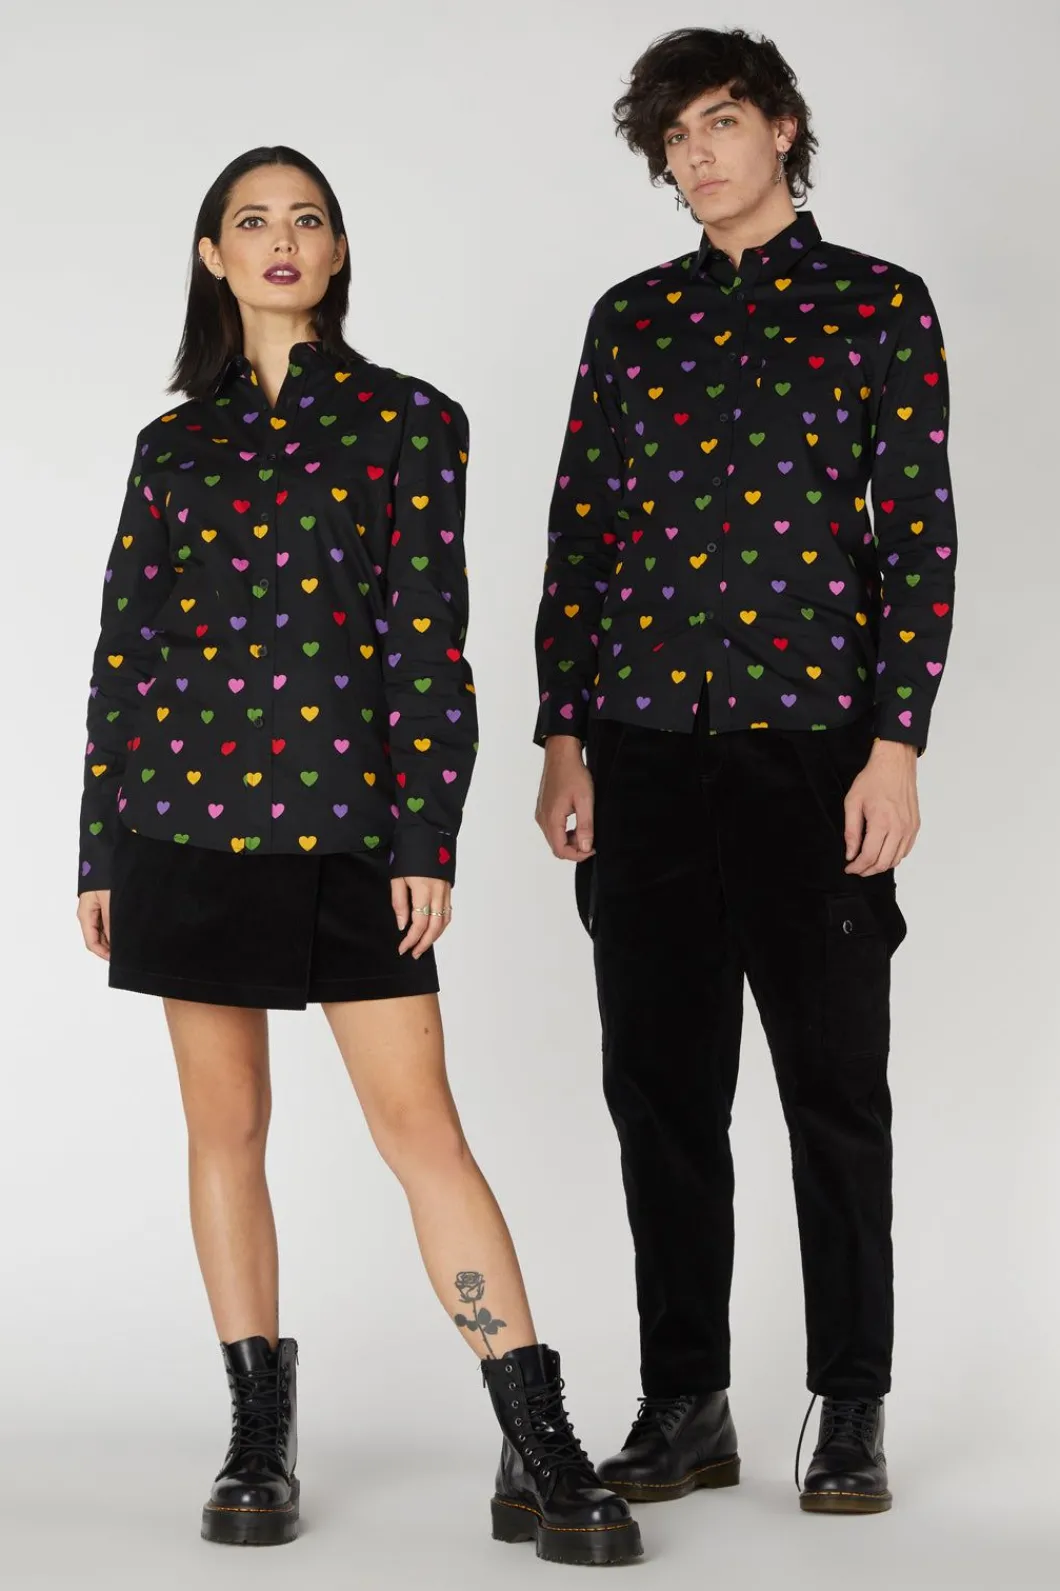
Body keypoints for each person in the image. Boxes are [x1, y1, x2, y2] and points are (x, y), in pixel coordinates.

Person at [75, 144, 641, 1567]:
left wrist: (424, 834)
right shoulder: (171, 448)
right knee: (226, 1130)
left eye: (308, 219)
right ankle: (257, 1434)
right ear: (213, 255)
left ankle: (538, 1436)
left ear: (336, 251)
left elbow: (427, 640)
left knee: (421, 1131)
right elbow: (126, 653)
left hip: (345, 829)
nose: (282, 239)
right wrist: (100, 848)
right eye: (252, 220)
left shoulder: (409, 422)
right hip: (182, 827)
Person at [534, 28, 956, 1515]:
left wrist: (895, 743)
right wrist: (565, 733)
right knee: (661, 1093)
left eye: (720, 122)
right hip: (644, 752)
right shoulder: (632, 320)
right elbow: (584, 530)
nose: (697, 155)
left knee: (835, 1093)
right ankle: (686, 1401)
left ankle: (852, 1406)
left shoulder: (879, 306)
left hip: (813, 750)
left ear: (781, 128)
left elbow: (916, 533)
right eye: (674, 137)